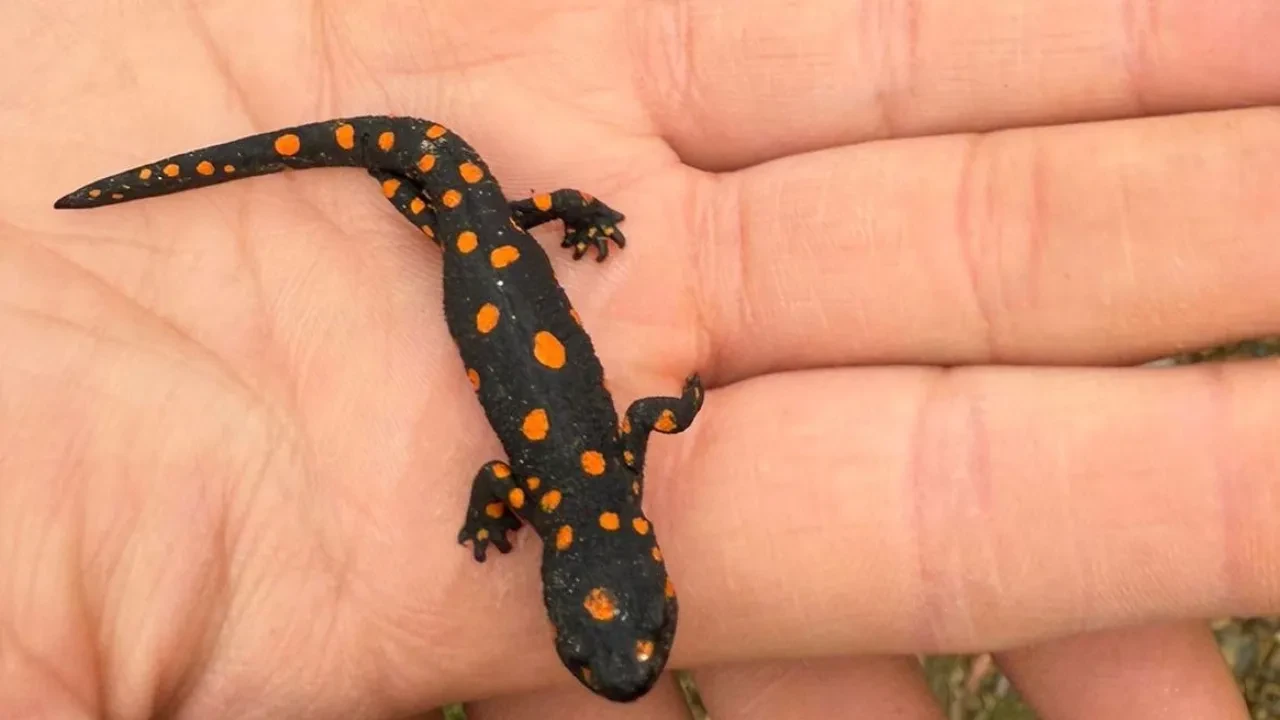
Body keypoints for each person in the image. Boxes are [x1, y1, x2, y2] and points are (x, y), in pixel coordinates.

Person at [3, 1, 1277, 717]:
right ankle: (326, 179)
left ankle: (478, 200)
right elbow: (610, 436)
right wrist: (518, 501)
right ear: (636, 571)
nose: (621, 647)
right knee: (467, 216)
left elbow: (643, 425)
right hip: (482, 234)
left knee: (473, 222)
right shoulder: (574, 491)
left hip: (484, 239)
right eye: (629, 636)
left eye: (600, 642)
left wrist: (658, 395)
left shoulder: (593, 481)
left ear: (603, 577)